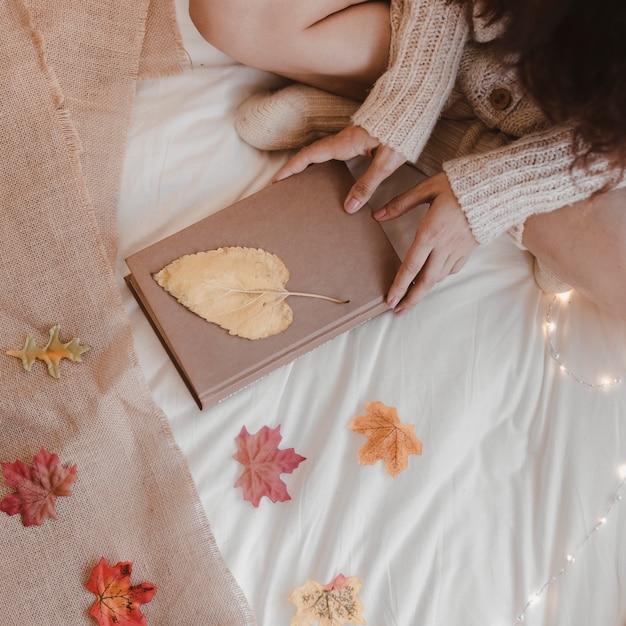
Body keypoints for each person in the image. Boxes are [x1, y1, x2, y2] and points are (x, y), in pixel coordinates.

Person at [188, 0, 626, 319]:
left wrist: (486, 194)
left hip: (580, 142)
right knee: (229, 11)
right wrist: (409, 98)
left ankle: (442, 146)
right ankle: (415, 132)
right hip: (445, 44)